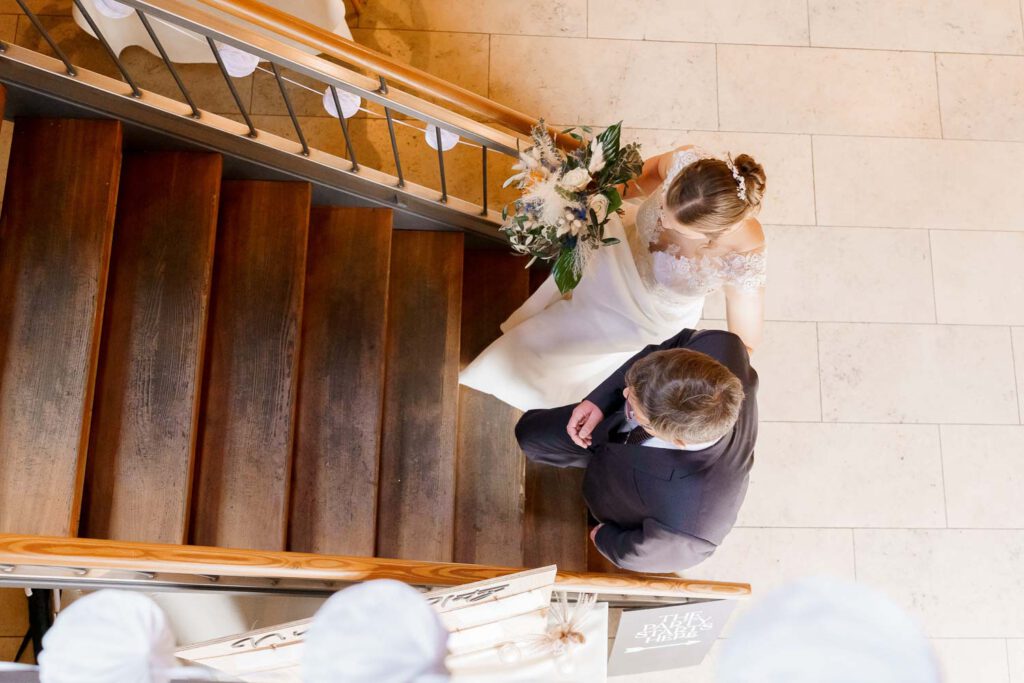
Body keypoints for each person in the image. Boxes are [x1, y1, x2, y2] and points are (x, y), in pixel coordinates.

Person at [460, 145, 766, 411]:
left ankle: (530, 380)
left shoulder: (743, 252)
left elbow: (744, 344)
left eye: (678, 226)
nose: (661, 220)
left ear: (718, 233)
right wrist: (580, 204)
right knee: (566, 307)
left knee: (571, 350)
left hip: (643, 317)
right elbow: (628, 186)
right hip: (612, 257)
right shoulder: (684, 163)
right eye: (662, 208)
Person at [515, 328, 757, 572]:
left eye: (634, 408)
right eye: (630, 390)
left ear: (678, 440)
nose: (625, 393)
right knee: (530, 434)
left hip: (617, 494)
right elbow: (667, 348)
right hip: (606, 423)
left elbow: (636, 554)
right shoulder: (719, 346)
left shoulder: (690, 527)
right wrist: (600, 401)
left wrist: (604, 536)